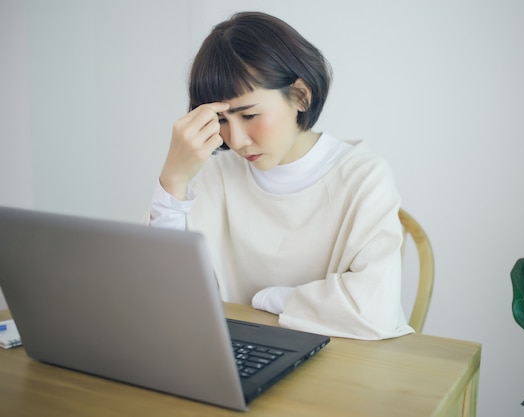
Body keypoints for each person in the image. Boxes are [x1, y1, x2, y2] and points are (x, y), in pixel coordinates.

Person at [148, 11, 413, 340]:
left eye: (249, 115)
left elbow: (375, 311)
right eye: (222, 120)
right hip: (240, 357)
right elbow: (164, 294)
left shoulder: (362, 176)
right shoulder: (215, 175)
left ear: (300, 96)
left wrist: (272, 298)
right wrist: (172, 181)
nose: (236, 140)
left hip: (345, 360)